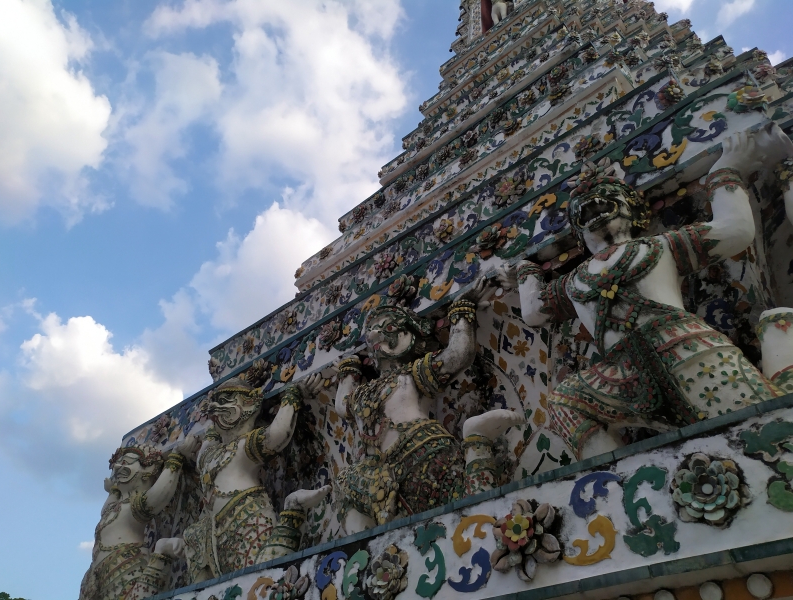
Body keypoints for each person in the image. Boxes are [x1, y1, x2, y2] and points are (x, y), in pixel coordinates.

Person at [499, 123, 793, 460]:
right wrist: (525, 269)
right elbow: (534, 311)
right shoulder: (574, 280)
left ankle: (781, 339)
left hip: (688, 352)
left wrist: (726, 168)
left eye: (607, 199)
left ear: (633, 212)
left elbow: (734, 230)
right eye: (584, 208)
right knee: (565, 401)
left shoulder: (660, 245)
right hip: (623, 373)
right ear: (577, 233)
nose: (595, 205)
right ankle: (617, 478)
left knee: (766, 432)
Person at [333, 279, 523, 534]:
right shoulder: (361, 394)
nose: (375, 335)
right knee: (345, 483)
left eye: (389, 327)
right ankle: (366, 545)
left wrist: (462, 309)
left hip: (422, 452)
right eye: (372, 331)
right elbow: (341, 406)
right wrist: (348, 369)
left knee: (474, 513)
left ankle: (476, 439)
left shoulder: (411, 373)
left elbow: (458, 354)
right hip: (378, 473)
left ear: (412, 336)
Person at [170, 372, 330, 583]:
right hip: (210, 529)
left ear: (250, 405)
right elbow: (204, 447)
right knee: (215, 584)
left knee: (261, 576)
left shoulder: (245, 445)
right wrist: (182, 451)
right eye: (214, 403)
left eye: (226, 401)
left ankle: (293, 510)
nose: (215, 407)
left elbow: (278, 433)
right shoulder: (209, 455)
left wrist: (292, 395)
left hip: (245, 515)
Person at [79, 440, 195, 600]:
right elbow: (105, 510)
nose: (117, 467)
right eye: (117, 464)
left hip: (125, 563)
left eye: (126, 463)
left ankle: (162, 552)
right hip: (96, 574)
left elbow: (161, 493)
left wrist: (175, 458)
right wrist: (113, 490)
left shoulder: (136, 505)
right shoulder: (114, 508)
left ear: (148, 469)